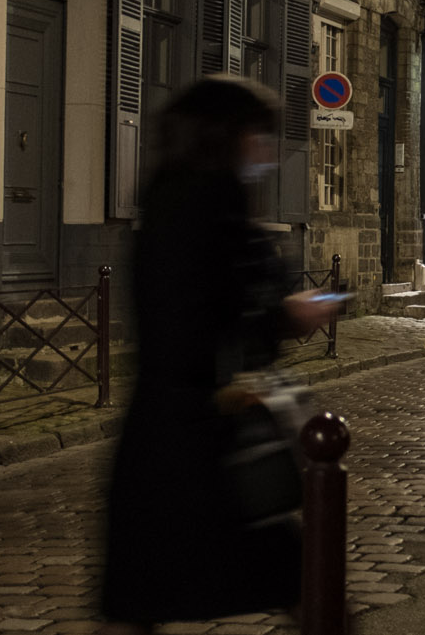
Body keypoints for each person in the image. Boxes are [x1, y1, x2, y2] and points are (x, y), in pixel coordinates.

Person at [101, 77, 339, 634]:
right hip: (210, 443)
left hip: (160, 436)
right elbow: (211, 317)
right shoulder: (210, 207)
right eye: (258, 135)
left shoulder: (169, 197)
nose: (266, 152)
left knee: (139, 599)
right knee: (309, 584)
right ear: (227, 136)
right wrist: (288, 315)